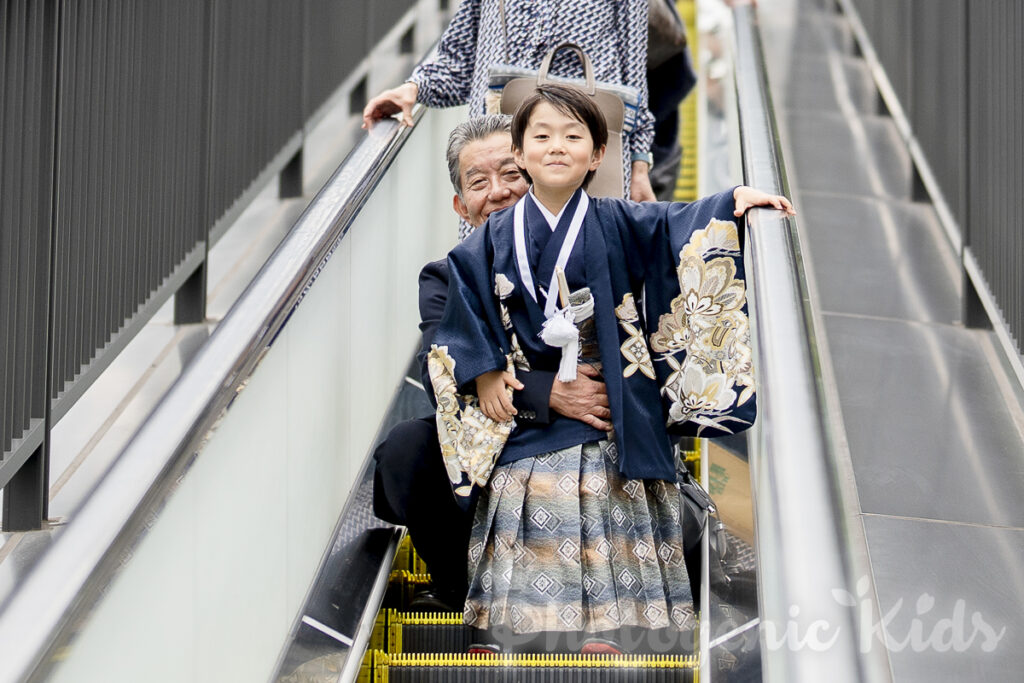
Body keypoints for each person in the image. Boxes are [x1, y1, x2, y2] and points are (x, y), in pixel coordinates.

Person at [426, 84, 793, 653]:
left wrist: (731, 201)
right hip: (533, 416)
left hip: (612, 401)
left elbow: (679, 222)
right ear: (521, 153)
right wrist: (484, 369)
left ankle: (607, 628)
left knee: (606, 483)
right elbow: (463, 310)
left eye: (573, 137)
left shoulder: (619, 220)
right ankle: (511, 629)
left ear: (598, 155)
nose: (556, 147)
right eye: (541, 137)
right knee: (527, 488)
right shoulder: (489, 243)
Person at [372, 114, 611, 612]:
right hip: (499, 433)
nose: (498, 192)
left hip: (590, 434)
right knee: (408, 448)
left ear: (538, 168)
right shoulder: (447, 276)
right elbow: (440, 366)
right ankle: (464, 593)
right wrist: (549, 393)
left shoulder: (599, 244)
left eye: (511, 173)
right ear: (462, 205)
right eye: (478, 182)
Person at [361, 0, 658, 206]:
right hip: (497, 147)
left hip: (575, 154)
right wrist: (415, 88)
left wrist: (640, 166)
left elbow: (633, 71)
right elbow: (460, 58)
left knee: (579, 268)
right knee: (494, 266)